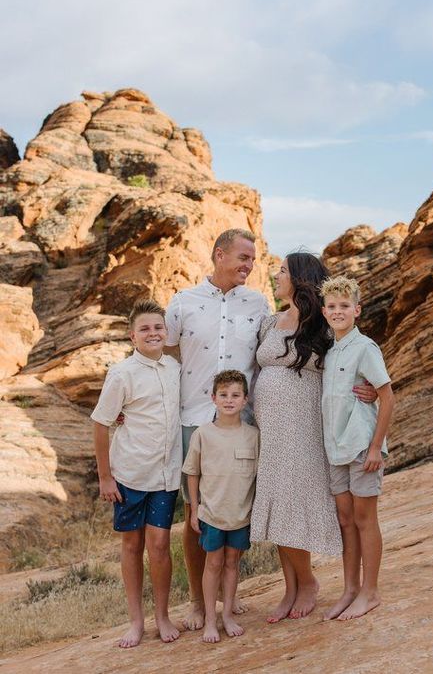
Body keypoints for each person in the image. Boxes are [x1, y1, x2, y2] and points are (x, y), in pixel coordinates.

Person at [250, 252, 377, 623]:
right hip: (270, 430)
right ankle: (291, 588)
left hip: (305, 428)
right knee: (276, 500)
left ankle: (309, 583)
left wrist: (366, 386)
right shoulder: (269, 323)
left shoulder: (322, 324)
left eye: (283, 271)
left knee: (294, 499)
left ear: (300, 278)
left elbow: (352, 359)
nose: (276, 275)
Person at [164, 228, 270, 630]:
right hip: (195, 418)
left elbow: (272, 354)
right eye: (243, 257)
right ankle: (197, 601)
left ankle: (230, 596)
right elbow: (162, 350)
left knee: (239, 507)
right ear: (218, 254)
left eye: (253, 259)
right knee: (196, 513)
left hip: (243, 423)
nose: (249, 265)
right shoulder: (183, 302)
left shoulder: (258, 303)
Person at [91, 300, 182, 647]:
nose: (153, 333)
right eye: (144, 329)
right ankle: (136, 622)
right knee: (132, 545)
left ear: (166, 332)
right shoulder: (122, 374)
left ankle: (162, 616)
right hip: (129, 474)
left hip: (165, 475)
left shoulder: (174, 368)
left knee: (159, 544)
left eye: (158, 327)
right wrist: (105, 477)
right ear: (132, 336)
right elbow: (100, 423)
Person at [320, 275, 394, 621]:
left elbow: (387, 395)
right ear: (324, 311)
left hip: (363, 447)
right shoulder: (331, 351)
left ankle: (371, 591)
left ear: (357, 310)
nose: (338, 311)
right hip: (336, 447)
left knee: (365, 519)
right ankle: (350, 588)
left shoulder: (365, 348)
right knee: (346, 520)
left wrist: (376, 447)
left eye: (345, 306)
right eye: (332, 307)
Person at [182, 370, 259, 643]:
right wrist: (193, 509)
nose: (229, 400)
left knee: (231, 563)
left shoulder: (252, 436)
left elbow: (258, 476)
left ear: (245, 400)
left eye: (235, 395)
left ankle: (227, 615)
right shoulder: (203, 434)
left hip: (240, 515)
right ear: (213, 398)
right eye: (223, 395)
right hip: (212, 514)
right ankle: (211, 621)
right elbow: (192, 472)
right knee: (212, 563)